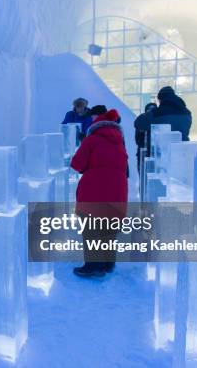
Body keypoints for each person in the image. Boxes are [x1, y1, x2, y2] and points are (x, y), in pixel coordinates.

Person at [70, 109, 128, 277]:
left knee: (91, 228)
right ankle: (107, 264)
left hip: (94, 188)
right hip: (117, 189)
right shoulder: (119, 143)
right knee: (109, 228)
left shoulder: (91, 140)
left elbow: (77, 164)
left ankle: (93, 267)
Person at [134, 86, 192, 150]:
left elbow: (138, 123)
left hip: (163, 154)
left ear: (161, 99)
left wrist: (150, 111)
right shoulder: (187, 113)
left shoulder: (157, 113)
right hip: (183, 152)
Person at [135, 102, 157, 172]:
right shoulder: (141, 121)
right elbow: (138, 140)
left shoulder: (158, 121)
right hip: (143, 153)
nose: (151, 111)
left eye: (153, 109)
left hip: (154, 154)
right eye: (149, 109)